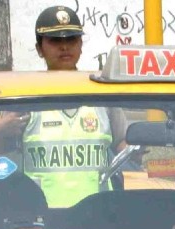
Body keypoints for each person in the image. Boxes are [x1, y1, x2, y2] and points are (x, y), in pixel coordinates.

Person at [23, 5, 127, 208]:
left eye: (71, 39)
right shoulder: (25, 99)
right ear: (39, 49)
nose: (64, 47)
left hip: (99, 214)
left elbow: (122, 145)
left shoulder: (102, 95)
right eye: (55, 41)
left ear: (80, 44)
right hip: (41, 219)